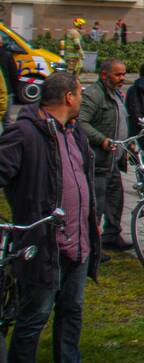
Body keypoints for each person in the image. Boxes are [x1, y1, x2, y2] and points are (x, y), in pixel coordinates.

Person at [0, 72, 101, 362]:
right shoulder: (26, 133)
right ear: (69, 97)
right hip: (44, 244)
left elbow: (81, 178)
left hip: (78, 239)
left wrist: (89, 215)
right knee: (35, 315)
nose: (82, 99)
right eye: (80, 93)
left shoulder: (74, 131)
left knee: (72, 311)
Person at [79, 58, 132, 255]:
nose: (122, 78)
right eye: (118, 74)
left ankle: (111, 236)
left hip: (114, 161)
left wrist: (129, 143)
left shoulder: (116, 94)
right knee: (96, 205)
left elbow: (121, 121)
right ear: (104, 75)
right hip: (98, 161)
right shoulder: (94, 95)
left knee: (115, 200)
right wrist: (101, 140)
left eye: (124, 74)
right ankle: (92, 247)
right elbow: (81, 123)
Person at [0, 43, 16, 127]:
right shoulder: (8, 55)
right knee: (6, 122)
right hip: (7, 92)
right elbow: (14, 74)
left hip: (5, 91)